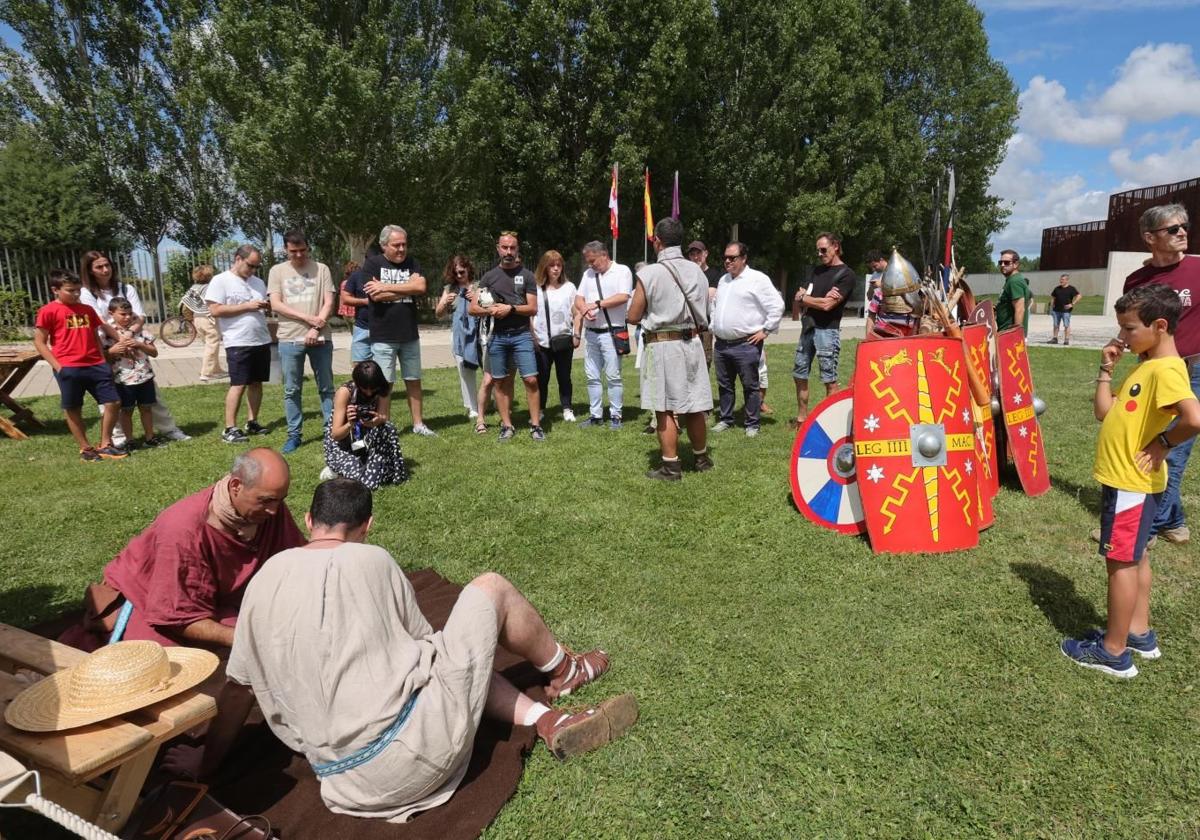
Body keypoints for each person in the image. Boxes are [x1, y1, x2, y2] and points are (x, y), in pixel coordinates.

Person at [162, 478, 638, 819]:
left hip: (345, 787)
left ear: (309, 520)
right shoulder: (374, 559)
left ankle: (548, 719)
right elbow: (428, 649)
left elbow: (238, 689)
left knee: (445, 661)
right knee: (487, 593)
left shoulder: (265, 578)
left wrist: (207, 765)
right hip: (417, 760)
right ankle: (565, 668)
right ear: (367, 525)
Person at [1060, 284, 1200, 678]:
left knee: (1119, 562)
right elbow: (1105, 413)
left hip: (1130, 484)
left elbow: (1193, 416)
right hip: (1128, 483)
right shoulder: (1146, 366)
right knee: (1136, 557)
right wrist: (1106, 368)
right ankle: (1138, 632)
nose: (1122, 337)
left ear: (1159, 325)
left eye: (1129, 328)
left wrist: (1164, 442)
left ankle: (1113, 651)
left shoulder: (1166, 369)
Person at [96, 448, 304, 648]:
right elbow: (177, 613)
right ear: (236, 486)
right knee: (164, 662)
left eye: (280, 500)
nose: (274, 511)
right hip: (155, 598)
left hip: (222, 600)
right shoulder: (183, 529)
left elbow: (296, 561)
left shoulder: (268, 510)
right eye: (266, 501)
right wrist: (241, 638)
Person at [1122, 203, 1199, 546]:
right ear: (1150, 238)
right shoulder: (1136, 280)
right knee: (1150, 443)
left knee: (1171, 450)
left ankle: (1147, 530)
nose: (1183, 232)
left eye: (1184, 226)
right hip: (1150, 372)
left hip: (1193, 371)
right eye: (1173, 229)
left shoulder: (1198, 270)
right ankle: (1175, 522)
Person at [627, 217, 713, 480]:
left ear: (657, 241)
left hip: (663, 344)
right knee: (695, 403)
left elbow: (633, 315)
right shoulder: (697, 271)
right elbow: (706, 310)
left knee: (664, 406)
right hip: (693, 342)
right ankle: (701, 458)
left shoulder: (649, 273)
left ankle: (670, 466)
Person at [79, 251, 191, 442]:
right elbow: (99, 321)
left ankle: (168, 428)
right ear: (89, 270)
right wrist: (120, 342)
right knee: (109, 393)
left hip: (134, 345)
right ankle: (118, 436)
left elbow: (139, 316)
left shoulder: (125, 288)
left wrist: (131, 335)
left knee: (149, 392)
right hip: (106, 347)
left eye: (107, 265)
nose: (105, 270)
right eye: (99, 267)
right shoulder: (86, 292)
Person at [32, 269, 126, 461]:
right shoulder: (48, 311)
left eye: (77, 290)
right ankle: (85, 448)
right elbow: (40, 342)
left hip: (96, 364)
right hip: (69, 367)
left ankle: (105, 444)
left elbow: (94, 336)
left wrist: (103, 359)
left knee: (113, 402)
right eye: (70, 290)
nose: (76, 294)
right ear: (55, 290)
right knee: (73, 408)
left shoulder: (87, 310)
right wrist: (59, 367)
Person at [470, 231, 543, 441]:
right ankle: (507, 426)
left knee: (530, 379)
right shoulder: (489, 277)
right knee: (500, 382)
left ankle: (535, 425)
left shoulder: (527, 275)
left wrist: (509, 309)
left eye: (512, 248)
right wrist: (491, 310)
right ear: (498, 248)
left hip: (521, 335)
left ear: (517, 249)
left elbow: (532, 308)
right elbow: (473, 308)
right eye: (505, 247)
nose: (508, 252)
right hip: (497, 336)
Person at [362, 225, 434, 436]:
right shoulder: (372, 264)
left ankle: (418, 424)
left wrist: (385, 286)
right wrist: (407, 287)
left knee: (414, 379)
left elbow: (420, 288)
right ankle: (384, 424)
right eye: (397, 245)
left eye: (404, 244)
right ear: (384, 246)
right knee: (385, 383)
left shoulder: (413, 262)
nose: (402, 249)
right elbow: (375, 296)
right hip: (383, 335)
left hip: (409, 333)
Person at [268, 229, 335, 454]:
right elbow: (276, 304)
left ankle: (331, 432)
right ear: (286, 250)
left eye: (302, 250)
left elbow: (329, 302)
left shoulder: (322, 269)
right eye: (293, 251)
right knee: (291, 389)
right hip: (289, 338)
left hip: (321, 338)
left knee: (326, 387)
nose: (298, 255)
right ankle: (294, 435)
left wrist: (316, 327)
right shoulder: (277, 271)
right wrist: (307, 319)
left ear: (308, 248)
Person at [710, 241, 783, 438]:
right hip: (722, 344)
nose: (727, 261)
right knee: (724, 385)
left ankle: (752, 423)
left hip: (746, 344)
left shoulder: (757, 279)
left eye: (732, 258)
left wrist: (766, 330)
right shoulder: (723, 280)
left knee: (750, 386)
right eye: (725, 257)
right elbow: (715, 305)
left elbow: (776, 305)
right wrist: (714, 326)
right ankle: (726, 419)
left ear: (743, 258)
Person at [207, 245, 273, 444]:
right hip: (238, 341)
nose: (252, 270)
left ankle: (252, 421)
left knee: (256, 382)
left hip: (260, 339)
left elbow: (261, 306)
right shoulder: (220, 281)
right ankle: (230, 428)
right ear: (237, 259)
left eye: (256, 266)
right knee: (238, 384)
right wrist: (247, 306)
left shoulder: (258, 282)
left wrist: (266, 306)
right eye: (250, 265)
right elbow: (215, 310)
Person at [791, 232, 857, 426]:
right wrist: (810, 299)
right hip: (808, 328)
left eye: (823, 249)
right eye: (818, 251)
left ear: (835, 246)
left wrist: (808, 300)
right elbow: (798, 296)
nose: (820, 254)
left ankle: (831, 423)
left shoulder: (846, 274)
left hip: (827, 331)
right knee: (799, 373)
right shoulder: (816, 271)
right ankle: (802, 419)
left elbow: (828, 306)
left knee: (829, 378)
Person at [321, 360, 408, 489]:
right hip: (343, 444)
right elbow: (335, 435)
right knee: (362, 480)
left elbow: (384, 417)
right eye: (364, 389)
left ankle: (364, 468)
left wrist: (375, 421)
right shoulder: (345, 392)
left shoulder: (382, 390)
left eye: (372, 389)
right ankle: (337, 469)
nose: (368, 393)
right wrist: (350, 423)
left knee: (388, 428)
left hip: (364, 442)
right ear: (357, 383)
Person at [576, 241, 633, 429]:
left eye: (593, 261)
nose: (590, 265)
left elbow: (623, 296)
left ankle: (616, 415)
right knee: (592, 375)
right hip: (591, 332)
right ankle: (596, 416)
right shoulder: (588, 274)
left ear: (604, 255)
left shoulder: (622, 271)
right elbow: (579, 298)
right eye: (588, 261)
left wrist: (597, 304)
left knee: (613, 376)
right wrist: (584, 308)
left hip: (611, 332)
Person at [104, 296, 164, 448]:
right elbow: (103, 356)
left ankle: (150, 437)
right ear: (111, 313)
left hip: (144, 376)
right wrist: (113, 351)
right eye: (123, 314)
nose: (128, 317)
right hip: (123, 380)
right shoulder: (106, 333)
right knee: (126, 411)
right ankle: (130, 440)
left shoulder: (139, 329)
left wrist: (139, 344)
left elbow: (154, 352)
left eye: (130, 313)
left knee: (146, 408)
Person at [532, 250, 581, 424]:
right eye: (552, 265)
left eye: (559, 265)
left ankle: (567, 408)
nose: (555, 269)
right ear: (544, 267)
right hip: (542, 341)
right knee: (541, 378)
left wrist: (576, 334)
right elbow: (530, 315)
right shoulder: (536, 288)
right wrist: (533, 337)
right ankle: (540, 409)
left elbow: (577, 313)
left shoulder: (569, 287)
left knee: (564, 376)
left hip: (563, 341)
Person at [434, 255, 483, 425]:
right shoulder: (449, 289)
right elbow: (438, 314)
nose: (459, 276)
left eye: (462, 272)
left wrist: (475, 298)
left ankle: (489, 400)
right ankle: (472, 407)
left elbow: (488, 306)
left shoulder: (479, 286)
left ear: (468, 269)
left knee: (488, 370)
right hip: (459, 337)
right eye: (455, 273)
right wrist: (445, 303)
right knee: (465, 371)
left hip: (480, 334)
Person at [340, 244, 382, 364]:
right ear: (366, 259)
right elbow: (345, 298)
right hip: (362, 328)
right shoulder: (356, 276)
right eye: (371, 260)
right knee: (359, 368)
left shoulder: (386, 275)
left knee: (383, 370)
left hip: (383, 329)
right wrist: (364, 301)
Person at [189, 265, 228, 382]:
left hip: (197, 318)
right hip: (208, 318)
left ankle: (216, 370)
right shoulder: (209, 288)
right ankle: (206, 373)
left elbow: (189, 304)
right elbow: (213, 302)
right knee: (212, 345)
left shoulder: (193, 287)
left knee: (209, 344)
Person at [995, 248, 1031, 335]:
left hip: (1009, 334)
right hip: (1005, 331)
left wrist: (1015, 334)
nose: (1003, 265)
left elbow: (1019, 309)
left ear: (1015, 264)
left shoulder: (1015, 282)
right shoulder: (1011, 280)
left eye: (1006, 262)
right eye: (1000, 262)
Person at [862, 250, 896, 338]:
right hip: (881, 318)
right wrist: (871, 288)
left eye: (875, 266)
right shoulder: (875, 274)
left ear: (881, 260)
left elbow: (898, 291)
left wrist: (881, 285)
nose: (874, 269)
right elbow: (869, 297)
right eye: (872, 267)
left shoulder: (894, 270)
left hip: (896, 317)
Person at [1047, 273, 1080, 345]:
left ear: (1067, 280)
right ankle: (1055, 339)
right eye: (1060, 279)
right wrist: (1051, 308)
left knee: (1066, 325)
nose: (1061, 281)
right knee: (1056, 325)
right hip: (1056, 311)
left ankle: (1066, 340)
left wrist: (1072, 304)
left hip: (1066, 311)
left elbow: (1079, 296)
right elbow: (1053, 298)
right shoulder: (1057, 288)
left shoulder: (1071, 288)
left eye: (1063, 280)